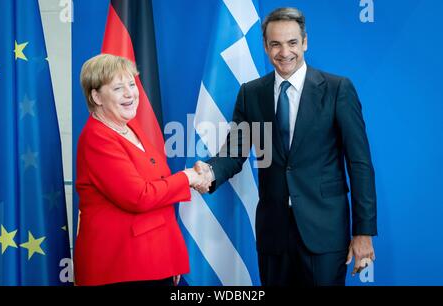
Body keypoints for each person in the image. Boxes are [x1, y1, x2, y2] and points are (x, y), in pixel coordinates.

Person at [194, 7, 377, 286]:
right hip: (274, 234)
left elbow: (359, 163)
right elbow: (234, 151)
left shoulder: (338, 89)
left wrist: (363, 232)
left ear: (304, 42)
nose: (284, 52)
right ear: (266, 47)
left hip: (324, 233)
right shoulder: (251, 93)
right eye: (275, 44)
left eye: (292, 43)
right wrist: (210, 172)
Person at [74, 54, 206, 286]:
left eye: (132, 84)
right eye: (118, 88)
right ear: (96, 97)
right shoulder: (97, 138)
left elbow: (159, 189)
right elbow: (139, 197)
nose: (130, 93)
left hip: (154, 260)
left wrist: (169, 258)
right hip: (119, 267)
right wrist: (188, 177)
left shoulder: (131, 128)